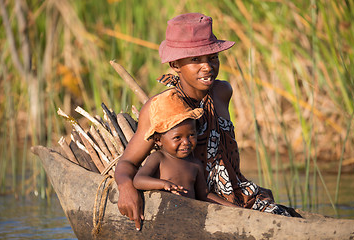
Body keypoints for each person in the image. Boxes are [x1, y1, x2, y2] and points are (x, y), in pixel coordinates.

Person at [114, 12, 297, 231]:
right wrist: (125, 187)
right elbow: (127, 164)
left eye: (213, 57)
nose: (208, 66)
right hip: (196, 204)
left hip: (237, 196)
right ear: (175, 64)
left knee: (285, 217)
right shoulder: (161, 108)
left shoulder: (222, 92)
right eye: (195, 60)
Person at [133, 90, 239, 208]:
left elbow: (204, 195)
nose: (186, 142)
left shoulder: (195, 164)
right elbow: (138, 180)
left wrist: (231, 207)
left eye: (191, 135)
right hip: (164, 214)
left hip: (189, 217)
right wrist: (162, 184)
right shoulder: (159, 158)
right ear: (158, 140)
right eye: (177, 137)